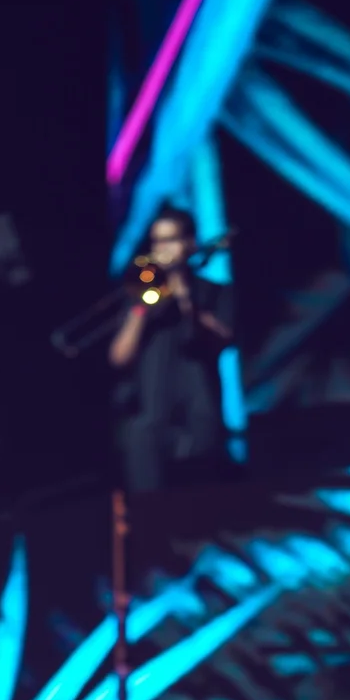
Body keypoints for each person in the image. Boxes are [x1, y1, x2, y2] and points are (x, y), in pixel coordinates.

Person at [109, 205, 233, 493]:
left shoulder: (214, 291)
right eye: (156, 241)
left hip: (200, 421)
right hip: (150, 427)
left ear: (189, 243)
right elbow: (118, 357)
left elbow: (223, 342)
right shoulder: (141, 294)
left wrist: (186, 299)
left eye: (170, 240)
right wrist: (142, 307)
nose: (161, 249)